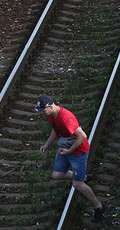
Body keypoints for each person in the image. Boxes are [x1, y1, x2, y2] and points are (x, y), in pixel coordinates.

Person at [35, 96, 104, 224]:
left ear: (50, 107)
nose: (41, 113)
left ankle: (98, 206)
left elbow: (82, 136)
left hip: (78, 152)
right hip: (65, 148)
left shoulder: (66, 118)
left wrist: (70, 151)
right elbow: (56, 130)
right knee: (57, 175)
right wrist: (47, 144)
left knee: (76, 184)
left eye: (43, 110)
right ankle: (83, 177)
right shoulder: (51, 116)